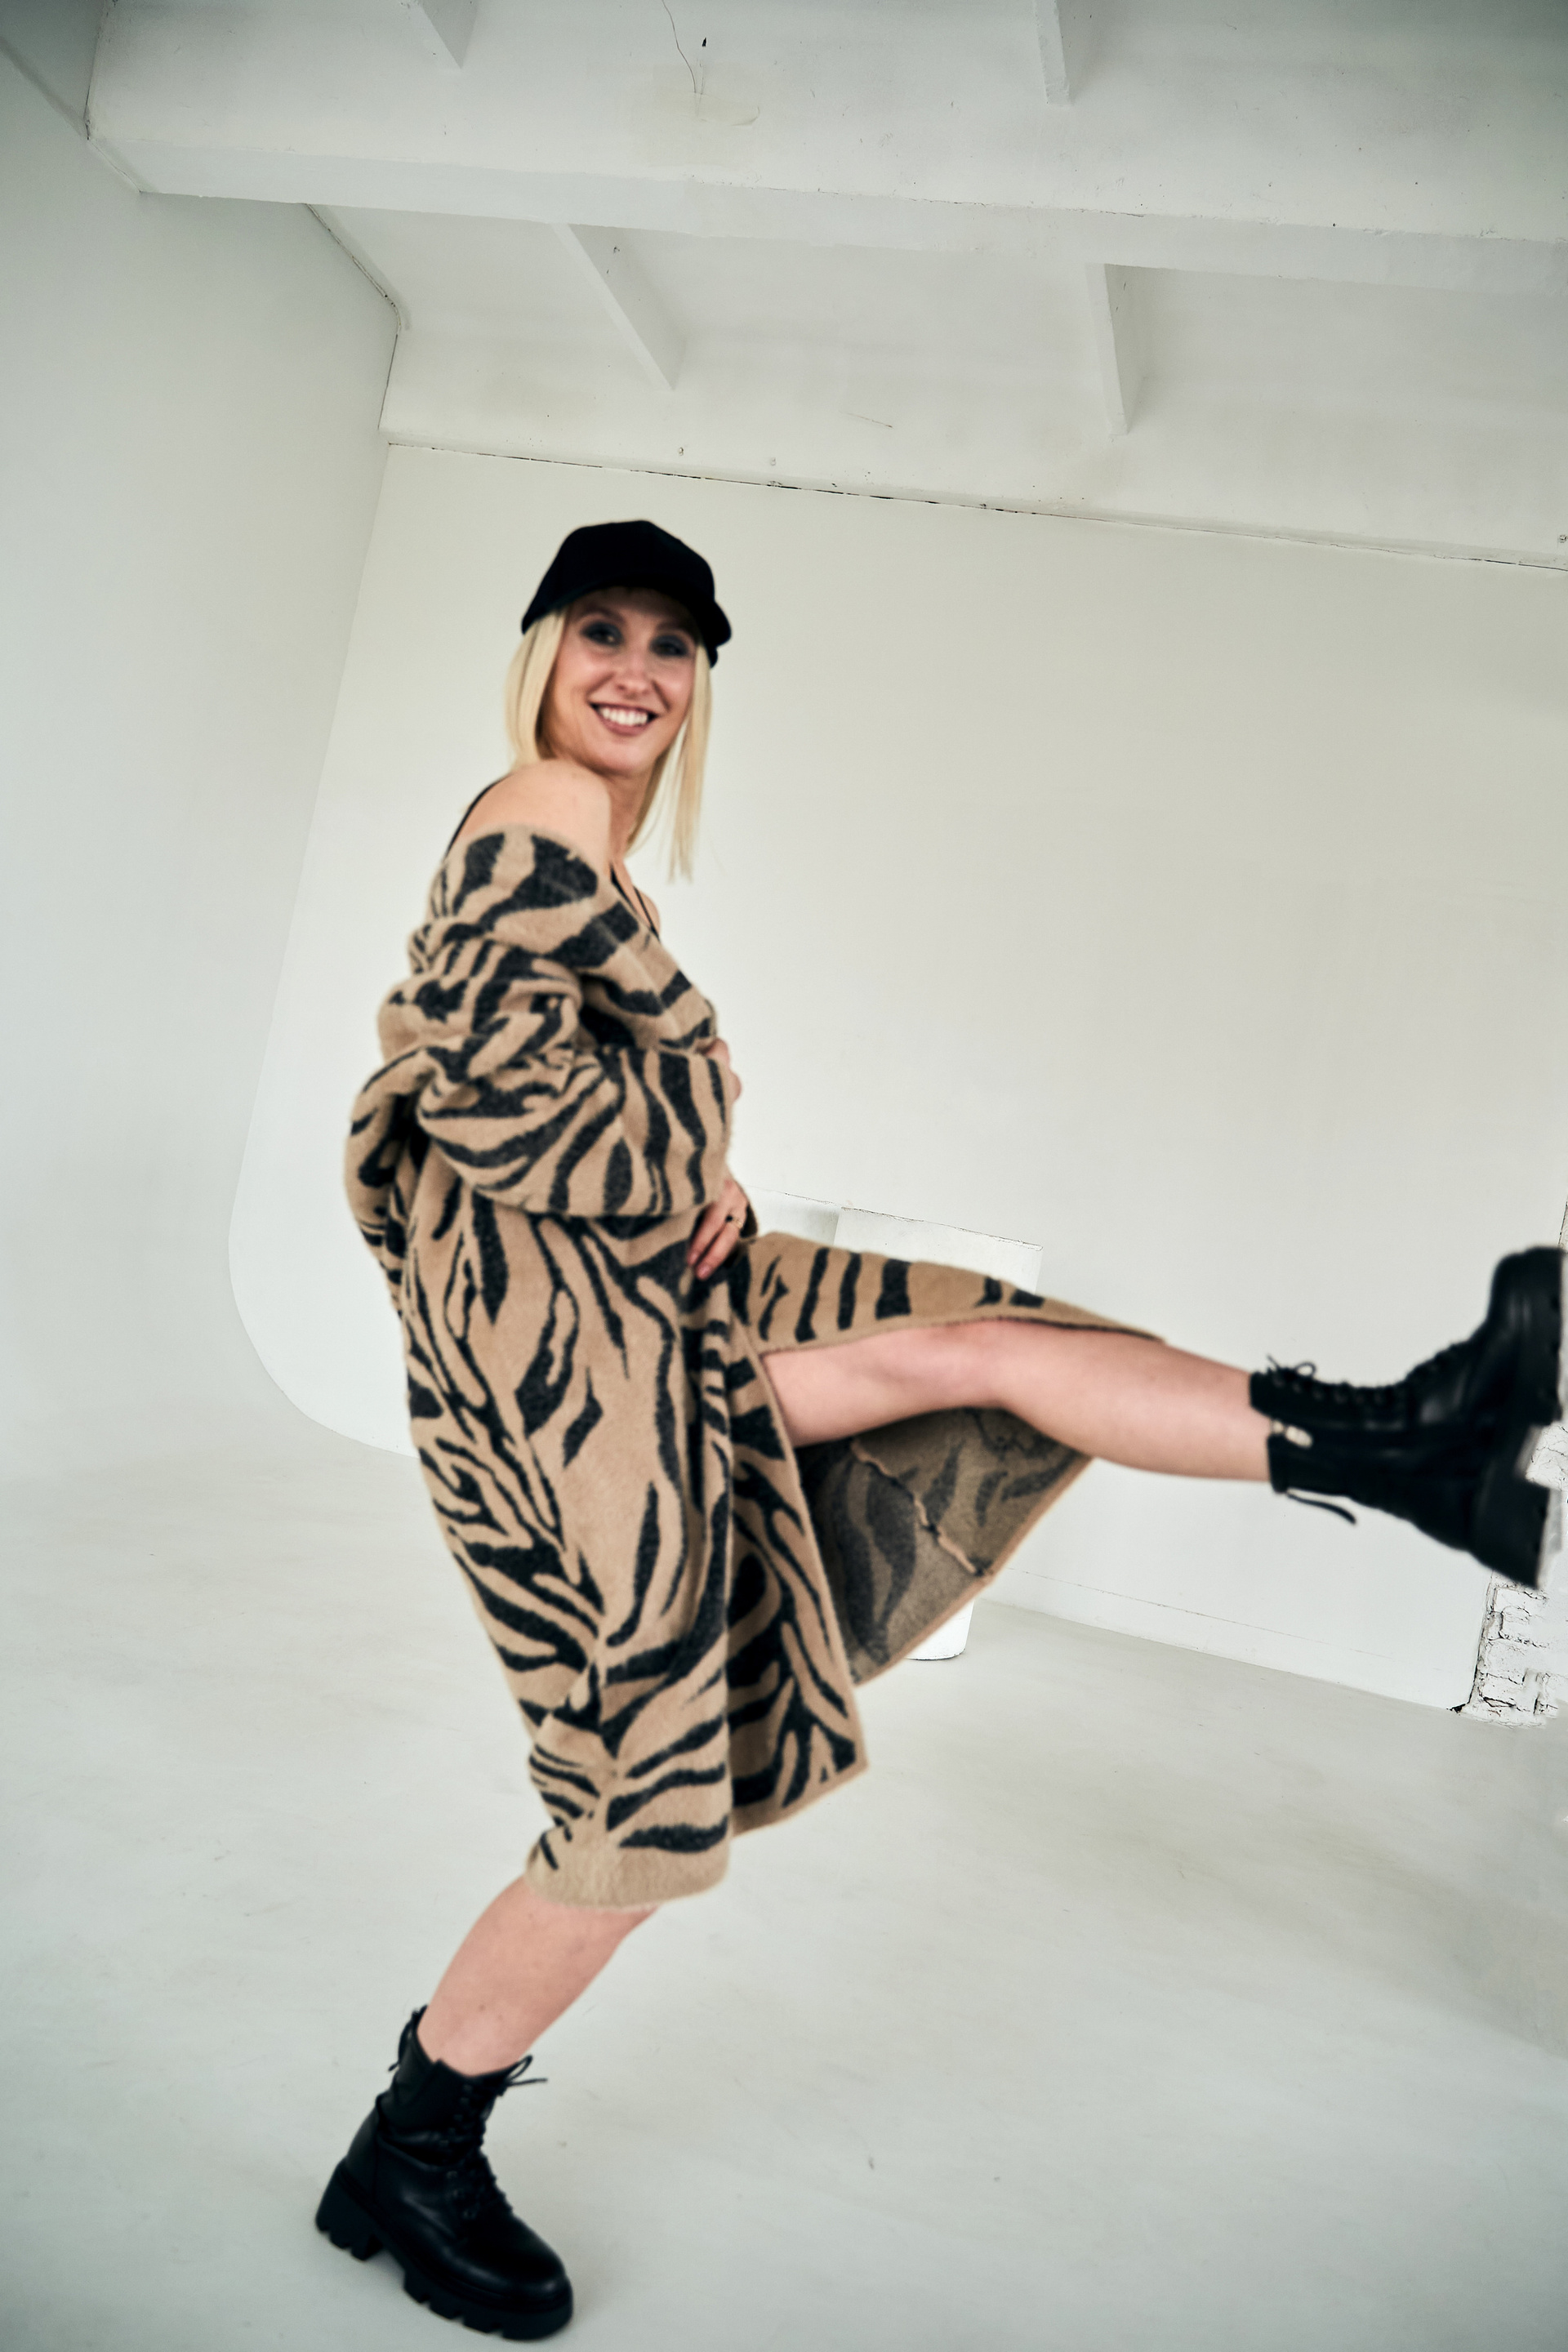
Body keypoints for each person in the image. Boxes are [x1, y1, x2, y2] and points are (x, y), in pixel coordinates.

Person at [319, 519, 1564, 2341]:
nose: (637, 672)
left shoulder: (590, 845)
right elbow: (494, 1098)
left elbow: (550, 1087)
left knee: (984, 1345)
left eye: (673, 646)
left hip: (640, 1333)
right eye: (602, 629)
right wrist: (682, 1159)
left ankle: (1394, 1445)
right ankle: (411, 2150)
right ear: (542, 651)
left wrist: (694, 1176)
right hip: (567, 1400)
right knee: (634, 1807)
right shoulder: (542, 807)